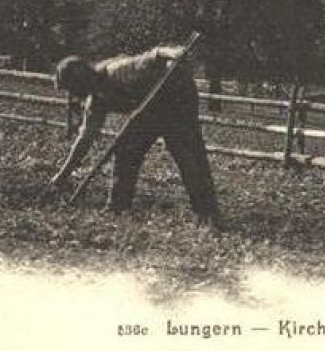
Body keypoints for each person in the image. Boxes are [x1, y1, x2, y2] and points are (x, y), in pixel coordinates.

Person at [50, 45, 219, 224]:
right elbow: (86, 138)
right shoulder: (96, 100)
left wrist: (173, 53)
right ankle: (118, 208)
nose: (73, 95)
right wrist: (62, 176)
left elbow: (154, 55)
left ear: (81, 79)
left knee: (185, 153)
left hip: (176, 97)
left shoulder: (118, 71)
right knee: (126, 150)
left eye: (72, 88)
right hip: (148, 110)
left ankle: (207, 213)